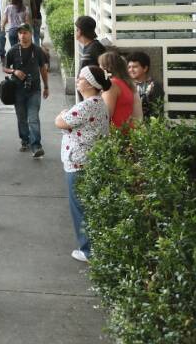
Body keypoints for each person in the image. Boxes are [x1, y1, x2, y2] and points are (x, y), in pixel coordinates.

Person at [56, 66, 111, 262]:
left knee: (79, 207)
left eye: (80, 78)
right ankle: (94, 246)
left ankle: (87, 250)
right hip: (89, 161)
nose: (77, 81)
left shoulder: (86, 106)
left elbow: (60, 122)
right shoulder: (97, 103)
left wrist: (62, 114)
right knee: (88, 205)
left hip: (79, 163)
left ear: (89, 84)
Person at [2, 24, 50, 157]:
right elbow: (5, 68)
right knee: (21, 118)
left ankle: (36, 145)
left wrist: (46, 86)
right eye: (20, 33)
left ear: (30, 34)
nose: (23, 35)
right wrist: (14, 71)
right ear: (18, 35)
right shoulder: (12, 50)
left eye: (26, 33)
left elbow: (43, 69)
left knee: (33, 118)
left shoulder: (38, 50)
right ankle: (25, 140)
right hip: (18, 90)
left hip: (34, 89)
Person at [99, 51, 142, 129]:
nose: (99, 68)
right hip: (127, 129)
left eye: (100, 65)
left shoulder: (112, 84)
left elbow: (106, 114)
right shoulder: (127, 83)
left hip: (115, 132)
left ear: (107, 68)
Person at [126, 51, 166, 119]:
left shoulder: (154, 85)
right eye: (129, 67)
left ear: (145, 68)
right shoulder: (125, 85)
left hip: (147, 126)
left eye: (135, 67)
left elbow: (157, 111)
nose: (131, 70)